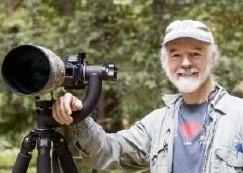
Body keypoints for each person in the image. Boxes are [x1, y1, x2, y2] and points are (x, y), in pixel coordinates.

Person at [52, 20, 243, 173]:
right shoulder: (157, 123)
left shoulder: (239, 116)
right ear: (165, 62)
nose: (185, 63)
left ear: (212, 58)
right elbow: (108, 152)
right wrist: (79, 114)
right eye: (175, 55)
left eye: (195, 53)